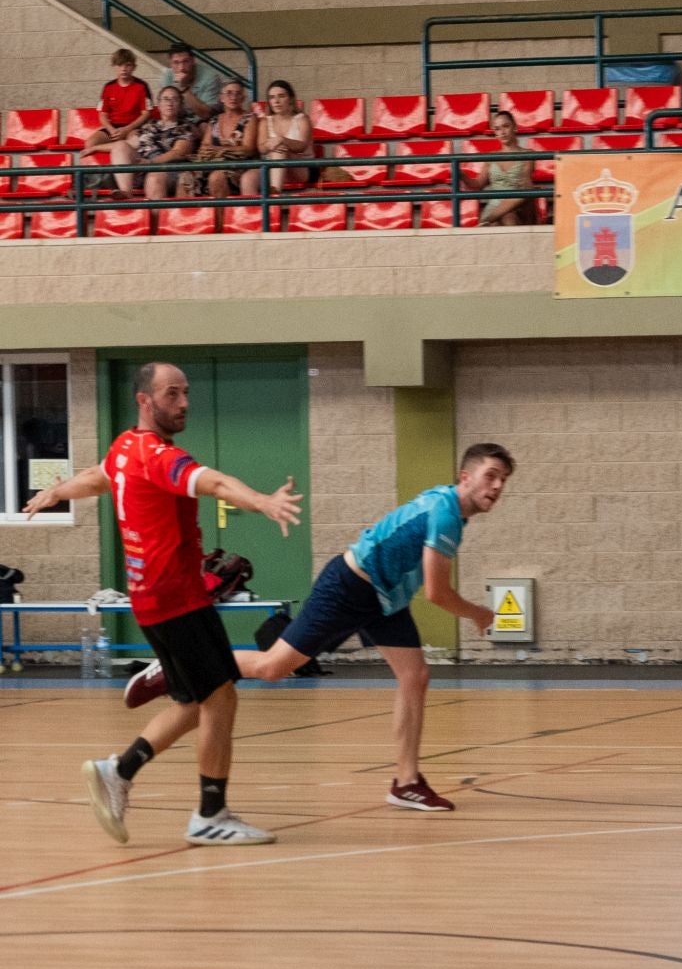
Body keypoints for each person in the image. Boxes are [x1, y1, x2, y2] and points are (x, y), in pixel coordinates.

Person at [126, 443, 512, 812]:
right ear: (465, 476)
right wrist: (477, 612)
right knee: (273, 667)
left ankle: (406, 783)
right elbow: (436, 592)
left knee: (415, 676)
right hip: (351, 586)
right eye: (490, 475)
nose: (496, 486)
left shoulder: (449, 506)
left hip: (384, 598)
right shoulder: (445, 514)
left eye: (503, 480)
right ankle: (180, 664)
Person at [25, 362, 301, 846]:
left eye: (186, 393)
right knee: (220, 697)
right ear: (144, 400)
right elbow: (213, 482)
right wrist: (261, 500)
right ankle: (209, 814)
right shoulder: (156, 456)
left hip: (154, 599)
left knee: (196, 699)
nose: (184, 403)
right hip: (176, 600)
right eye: (172, 394)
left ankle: (120, 769)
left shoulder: (124, 448)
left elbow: (99, 476)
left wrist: (56, 491)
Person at [89, 49, 155, 194]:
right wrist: (112, 130)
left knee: (136, 141)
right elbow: (103, 115)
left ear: (134, 67)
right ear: (114, 67)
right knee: (89, 143)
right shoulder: (108, 87)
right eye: (119, 65)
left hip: (133, 127)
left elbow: (146, 114)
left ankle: (126, 179)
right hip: (113, 128)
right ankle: (103, 180)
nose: (123, 69)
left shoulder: (141, 86)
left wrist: (126, 129)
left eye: (127, 65)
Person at [127, 86, 202, 200]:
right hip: (145, 171)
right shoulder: (149, 126)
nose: (169, 103)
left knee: (155, 176)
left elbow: (178, 152)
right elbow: (130, 144)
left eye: (174, 99)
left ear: (180, 105)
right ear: (159, 104)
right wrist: (94, 148)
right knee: (120, 146)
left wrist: (151, 162)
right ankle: (125, 191)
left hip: (172, 170)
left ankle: (157, 217)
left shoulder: (185, 127)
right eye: (166, 99)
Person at [196, 78, 260, 199]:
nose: (233, 97)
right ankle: (187, 218)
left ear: (243, 98)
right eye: (229, 93)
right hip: (213, 164)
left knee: (216, 177)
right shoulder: (214, 120)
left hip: (238, 167)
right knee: (185, 178)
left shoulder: (249, 118)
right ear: (221, 98)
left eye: (238, 94)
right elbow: (204, 147)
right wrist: (223, 149)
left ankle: (223, 218)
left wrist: (218, 149)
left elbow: (248, 149)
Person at [478, 110, 534, 226]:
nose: (502, 132)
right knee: (507, 217)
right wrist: (460, 174)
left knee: (511, 212)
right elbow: (478, 184)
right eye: (497, 129)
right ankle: (488, 220)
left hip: (518, 207)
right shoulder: (491, 157)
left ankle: (487, 220)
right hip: (495, 206)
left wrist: (526, 189)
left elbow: (526, 182)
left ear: (515, 128)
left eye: (506, 126)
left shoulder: (528, 154)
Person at [258, 79, 316, 192]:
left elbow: (301, 146)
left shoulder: (302, 119)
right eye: (272, 97)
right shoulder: (265, 121)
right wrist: (272, 145)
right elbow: (261, 148)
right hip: (272, 168)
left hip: (302, 168)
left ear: (290, 99)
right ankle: (252, 209)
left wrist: (281, 140)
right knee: (248, 179)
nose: (276, 101)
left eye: (281, 96)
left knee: (280, 150)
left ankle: (275, 196)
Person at [169, 43, 225, 120]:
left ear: (193, 61)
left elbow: (206, 115)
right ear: (171, 64)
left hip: (204, 121)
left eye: (185, 61)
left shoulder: (210, 78)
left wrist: (184, 88)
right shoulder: (167, 75)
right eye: (176, 62)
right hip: (180, 121)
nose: (181, 67)